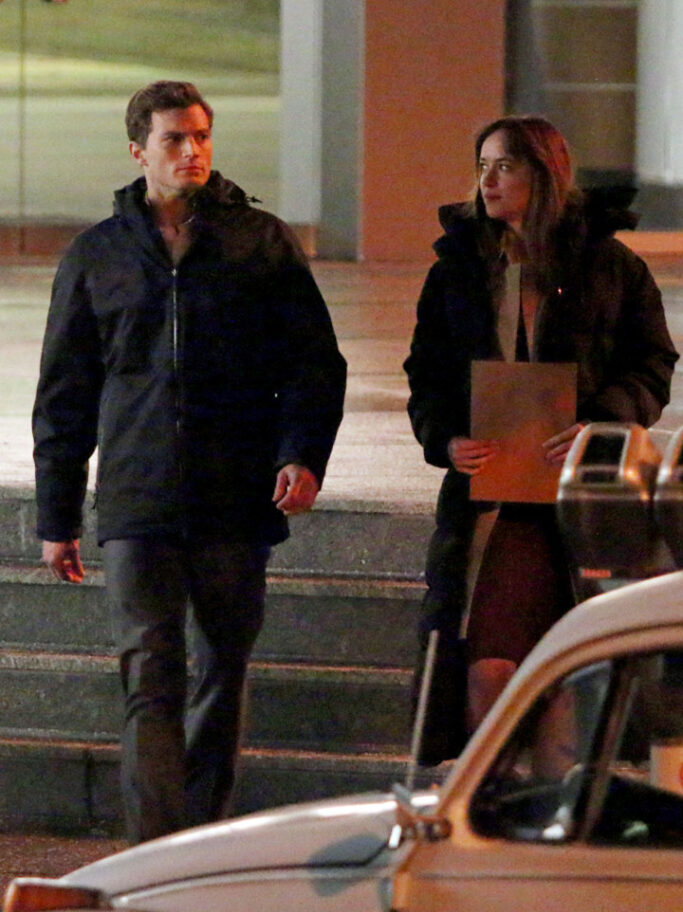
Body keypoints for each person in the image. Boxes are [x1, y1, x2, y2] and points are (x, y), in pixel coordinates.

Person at [33, 80, 346, 843]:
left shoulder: (258, 242)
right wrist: (56, 515)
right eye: (174, 138)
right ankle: (153, 848)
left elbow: (314, 363)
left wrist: (301, 454)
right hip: (138, 497)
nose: (192, 151)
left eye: (201, 136)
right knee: (150, 676)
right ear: (138, 150)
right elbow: (65, 394)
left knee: (221, 672)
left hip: (234, 495)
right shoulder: (98, 255)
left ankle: (199, 840)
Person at [404, 114, 678, 766]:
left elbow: (651, 363)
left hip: (585, 504)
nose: (488, 180)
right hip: (495, 504)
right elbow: (427, 374)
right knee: (487, 670)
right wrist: (446, 439)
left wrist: (602, 424)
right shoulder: (458, 270)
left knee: (569, 684)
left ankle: (550, 812)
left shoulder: (610, 266)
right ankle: (490, 802)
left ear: (545, 173)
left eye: (505, 165)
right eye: (482, 166)